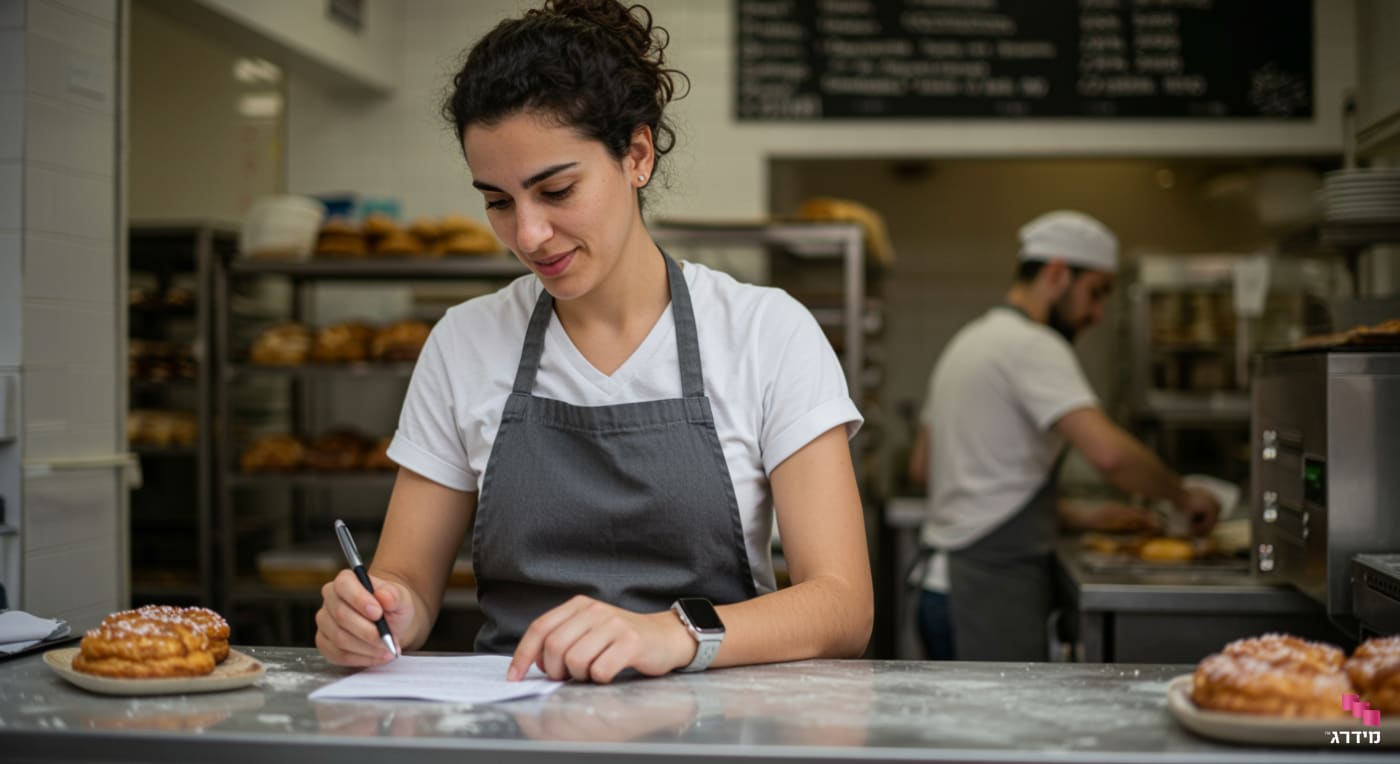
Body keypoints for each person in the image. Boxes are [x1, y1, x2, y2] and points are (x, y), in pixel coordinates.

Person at [315, 0, 872, 684]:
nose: (528, 235)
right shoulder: (465, 341)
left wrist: (670, 634)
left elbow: (843, 606)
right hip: (515, 723)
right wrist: (381, 612)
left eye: (556, 190)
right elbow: (408, 581)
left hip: (718, 725)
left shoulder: (765, 332)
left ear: (636, 155)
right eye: (497, 201)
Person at [906, 210, 1220, 661]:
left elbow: (923, 468)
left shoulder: (968, 341)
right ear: (1057, 274)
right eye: (1096, 292)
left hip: (937, 591)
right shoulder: (1033, 345)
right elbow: (1110, 455)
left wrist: (1079, 516)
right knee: (1002, 733)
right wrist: (1183, 496)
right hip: (989, 594)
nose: (1096, 314)